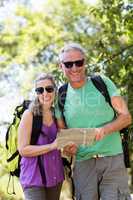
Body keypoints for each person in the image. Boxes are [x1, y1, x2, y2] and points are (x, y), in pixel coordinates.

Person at [56, 42, 132, 200]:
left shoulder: (102, 82)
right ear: (61, 66)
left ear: (85, 62)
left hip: (113, 160)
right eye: (68, 64)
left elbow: (126, 117)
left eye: (79, 62)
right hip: (83, 166)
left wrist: (104, 130)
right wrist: (67, 149)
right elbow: (63, 136)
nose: (75, 68)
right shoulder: (60, 95)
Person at [18, 73, 64, 200]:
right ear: (36, 93)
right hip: (33, 178)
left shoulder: (57, 114)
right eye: (40, 90)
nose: (45, 93)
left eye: (49, 89)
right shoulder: (29, 115)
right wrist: (51, 146)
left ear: (54, 90)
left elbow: (63, 142)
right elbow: (23, 149)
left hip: (56, 177)